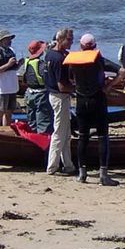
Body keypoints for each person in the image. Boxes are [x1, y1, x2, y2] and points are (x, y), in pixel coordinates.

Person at [65, 33, 125, 186]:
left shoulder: (74, 61)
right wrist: (109, 86)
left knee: (83, 137)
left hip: (81, 101)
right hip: (97, 99)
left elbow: (70, 79)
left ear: (80, 46)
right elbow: (123, 71)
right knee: (102, 137)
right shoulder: (98, 59)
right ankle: (103, 175)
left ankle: (82, 174)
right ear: (94, 46)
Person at [44, 28, 75, 176]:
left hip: (54, 95)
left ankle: (68, 165)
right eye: (69, 39)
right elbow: (62, 86)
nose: (72, 41)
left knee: (66, 132)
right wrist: (76, 89)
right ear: (60, 40)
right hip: (60, 96)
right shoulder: (59, 59)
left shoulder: (50, 54)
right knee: (59, 132)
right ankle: (52, 166)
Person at [21, 39, 53, 133]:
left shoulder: (27, 61)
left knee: (32, 121)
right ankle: (42, 143)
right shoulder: (40, 64)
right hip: (41, 95)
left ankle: (32, 140)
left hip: (29, 93)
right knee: (43, 123)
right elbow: (48, 77)